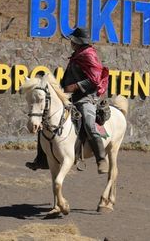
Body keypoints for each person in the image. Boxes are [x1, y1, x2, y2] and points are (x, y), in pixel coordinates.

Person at [26, 27, 110, 173]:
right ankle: (41, 159)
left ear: (78, 41)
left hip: (86, 98)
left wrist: (76, 86)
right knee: (45, 122)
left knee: (89, 125)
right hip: (70, 97)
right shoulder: (77, 55)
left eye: (72, 40)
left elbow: (95, 80)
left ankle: (101, 158)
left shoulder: (89, 55)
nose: (71, 42)